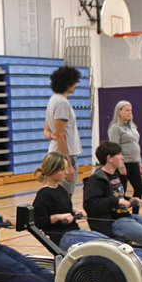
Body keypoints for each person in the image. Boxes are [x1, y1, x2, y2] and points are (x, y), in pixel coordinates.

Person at [32, 151, 142, 262]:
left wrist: (73, 211)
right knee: (110, 249)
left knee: (118, 245)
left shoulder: (60, 189)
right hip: (63, 237)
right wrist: (58, 217)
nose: (67, 172)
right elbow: (39, 221)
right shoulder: (44, 194)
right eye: (62, 169)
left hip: (74, 232)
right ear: (52, 170)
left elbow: (61, 207)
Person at [83, 142, 142, 256]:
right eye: (119, 154)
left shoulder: (115, 175)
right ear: (109, 158)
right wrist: (117, 201)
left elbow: (116, 196)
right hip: (113, 222)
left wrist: (130, 200)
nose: (122, 157)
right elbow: (90, 205)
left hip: (125, 217)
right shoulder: (96, 180)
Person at [43, 65, 83, 195]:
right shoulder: (62, 103)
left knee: (57, 194)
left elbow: (47, 131)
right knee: (64, 196)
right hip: (65, 154)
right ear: (68, 83)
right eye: (74, 81)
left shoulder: (53, 100)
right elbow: (60, 135)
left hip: (55, 152)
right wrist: (68, 164)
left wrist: (53, 136)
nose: (76, 84)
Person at [106, 100, 142, 199]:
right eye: (127, 110)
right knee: (121, 191)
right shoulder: (115, 128)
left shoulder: (133, 127)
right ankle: (121, 212)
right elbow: (114, 148)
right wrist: (121, 166)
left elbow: (136, 144)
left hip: (134, 162)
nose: (130, 112)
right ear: (119, 112)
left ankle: (135, 212)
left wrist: (139, 162)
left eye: (131, 110)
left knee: (139, 188)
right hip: (123, 163)